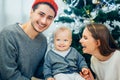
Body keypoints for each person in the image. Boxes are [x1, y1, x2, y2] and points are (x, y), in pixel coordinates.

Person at [0, 0, 58, 80]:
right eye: (41, 14)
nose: (43, 21)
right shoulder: (8, 34)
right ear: (31, 12)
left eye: (49, 18)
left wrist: (54, 75)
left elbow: (39, 71)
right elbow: (9, 75)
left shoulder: (43, 41)